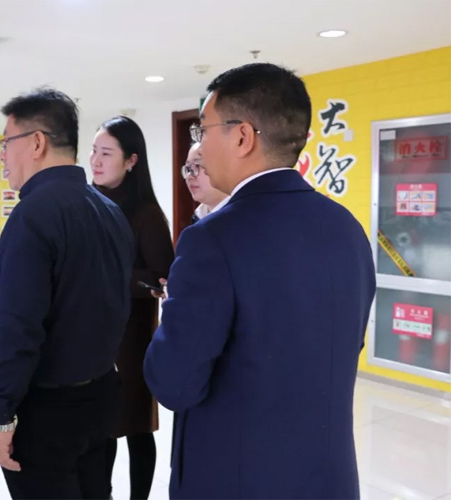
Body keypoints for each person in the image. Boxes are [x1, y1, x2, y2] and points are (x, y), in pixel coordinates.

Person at [144, 63, 376, 499]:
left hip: (236, 479)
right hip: (329, 479)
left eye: (203, 130)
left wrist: (172, 313)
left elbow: (174, 383)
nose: (199, 145)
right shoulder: (347, 227)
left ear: (242, 137)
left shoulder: (211, 239)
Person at [0, 88, 134, 500]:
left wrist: (1, 415)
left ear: (36, 143)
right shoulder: (109, 210)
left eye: (6, 143)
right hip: (101, 397)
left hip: (47, 412)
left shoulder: (31, 217)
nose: (2, 155)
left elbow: (18, 329)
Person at [90, 116, 174, 500]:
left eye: (106, 153)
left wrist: (106, 274)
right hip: (90, 338)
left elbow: (160, 279)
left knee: (136, 429)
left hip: (132, 342)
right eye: (94, 151)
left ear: (131, 160)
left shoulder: (147, 214)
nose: (96, 160)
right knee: (100, 429)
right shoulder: (87, 203)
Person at [183, 142, 228, 223]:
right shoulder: (198, 217)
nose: (189, 176)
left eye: (197, 165)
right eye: (188, 168)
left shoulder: (244, 217)